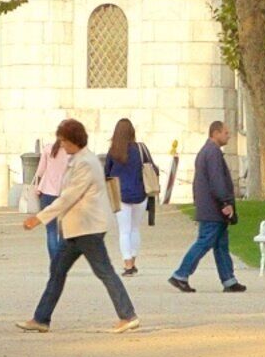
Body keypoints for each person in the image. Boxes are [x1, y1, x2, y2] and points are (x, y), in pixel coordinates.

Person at [20, 118, 138, 333]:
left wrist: (39, 218)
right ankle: (41, 318)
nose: (62, 145)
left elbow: (69, 196)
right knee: (58, 270)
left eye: (64, 141)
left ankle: (128, 315)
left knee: (104, 271)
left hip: (87, 227)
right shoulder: (79, 160)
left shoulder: (85, 163)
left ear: (74, 140)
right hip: (77, 228)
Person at [168, 119, 248, 294]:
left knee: (221, 244)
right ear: (216, 133)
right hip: (213, 209)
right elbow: (217, 181)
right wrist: (225, 202)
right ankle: (181, 274)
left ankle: (229, 279)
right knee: (204, 242)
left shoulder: (209, 152)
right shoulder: (212, 153)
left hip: (210, 207)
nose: (228, 136)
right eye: (226, 133)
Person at [102, 118, 152, 273]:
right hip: (140, 193)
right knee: (135, 229)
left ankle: (127, 263)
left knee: (124, 231)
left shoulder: (113, 152)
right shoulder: (141, 149)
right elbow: (152, 168)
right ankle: (133, 260)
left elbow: (107, 173)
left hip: (120, 194)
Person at [29, 127, 77, 266]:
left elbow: (40, 171)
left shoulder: (48, 149)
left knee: (51, 230)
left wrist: (37, 188)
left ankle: (54, 262)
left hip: (47, 193)